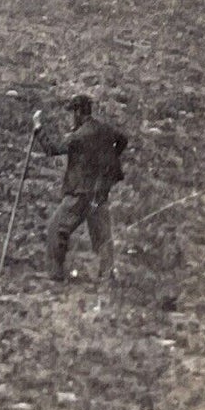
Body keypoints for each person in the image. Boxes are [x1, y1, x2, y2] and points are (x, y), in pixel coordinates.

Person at [32, 93, 128, 283]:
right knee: (102, 235)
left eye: (72, 113)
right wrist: (110, 159)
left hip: (79, 194)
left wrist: (37, 127)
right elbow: (123, 139)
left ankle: (55, 273)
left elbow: (51, 149)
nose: (70, 117)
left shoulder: (78, 137)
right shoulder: (105, 129)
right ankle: (107, 276)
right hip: (100, 192)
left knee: (57, 228)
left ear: (77, 112)